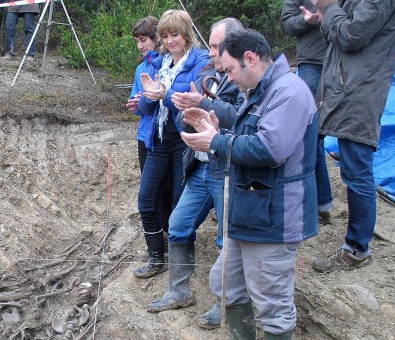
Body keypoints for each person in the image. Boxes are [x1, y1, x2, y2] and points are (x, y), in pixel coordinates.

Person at [181, 29, 318, 339]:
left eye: (229, 70)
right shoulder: (260, 91)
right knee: (226, 286)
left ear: (250, 58)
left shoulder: (289, 92)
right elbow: (248, 141)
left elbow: (270, 150)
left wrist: (215, 142)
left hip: (274, 216)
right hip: (249, 211)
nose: (228, 78)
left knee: (273, 307)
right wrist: (215, 130)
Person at [145, 18, 244, 331]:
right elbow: (187, 112)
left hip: (227, 166)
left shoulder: (243, 78)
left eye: (218, 46)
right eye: (212, 46)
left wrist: (202, 105)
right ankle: (179, 290)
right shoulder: (207, 73)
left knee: (225, 239)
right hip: (200, 165)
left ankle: (224, 301)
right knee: (178, 224)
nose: (212, 52)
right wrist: (179, 103)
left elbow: (240, 118)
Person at [310, 0, 395, 272]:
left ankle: (356, 249)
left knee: (357, 170)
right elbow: (338, 32)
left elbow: (351, 35)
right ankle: (350, 236)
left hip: (359, 91)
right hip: (348, 88)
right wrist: (326, 12)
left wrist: (329, 7)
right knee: (351, 166)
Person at [133, 9, 210, 278]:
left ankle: (181, 267)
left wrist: (164, 93)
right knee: (145, 198)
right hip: (158, 138)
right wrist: (149, 94)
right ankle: (156, 256)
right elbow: (145, 106)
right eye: (165, 36)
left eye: (174, 34)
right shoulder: (160, 62)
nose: (170, 40)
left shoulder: (200, 61)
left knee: (179, 205)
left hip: (185, 140)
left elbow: (192, 97)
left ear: (186, 34)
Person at [281, 0, 333, 225]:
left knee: (337, 136)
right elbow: (287, 24)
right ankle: (320, 204)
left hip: (345, 59)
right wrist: (305, 20)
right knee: (309, 133)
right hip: (312, 62)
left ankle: (320, 203)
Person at [125, 16, 173, 247]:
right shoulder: (140, 69)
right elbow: (137, 104)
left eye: (143, 40)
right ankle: (159, 239)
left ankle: (170, 232)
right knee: (150, 189)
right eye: (137, 41)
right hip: (145, 136)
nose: (140, 46)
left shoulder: (169, 65)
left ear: (156, 38)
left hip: (168, 136)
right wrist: (136, 103)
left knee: (168, 187)